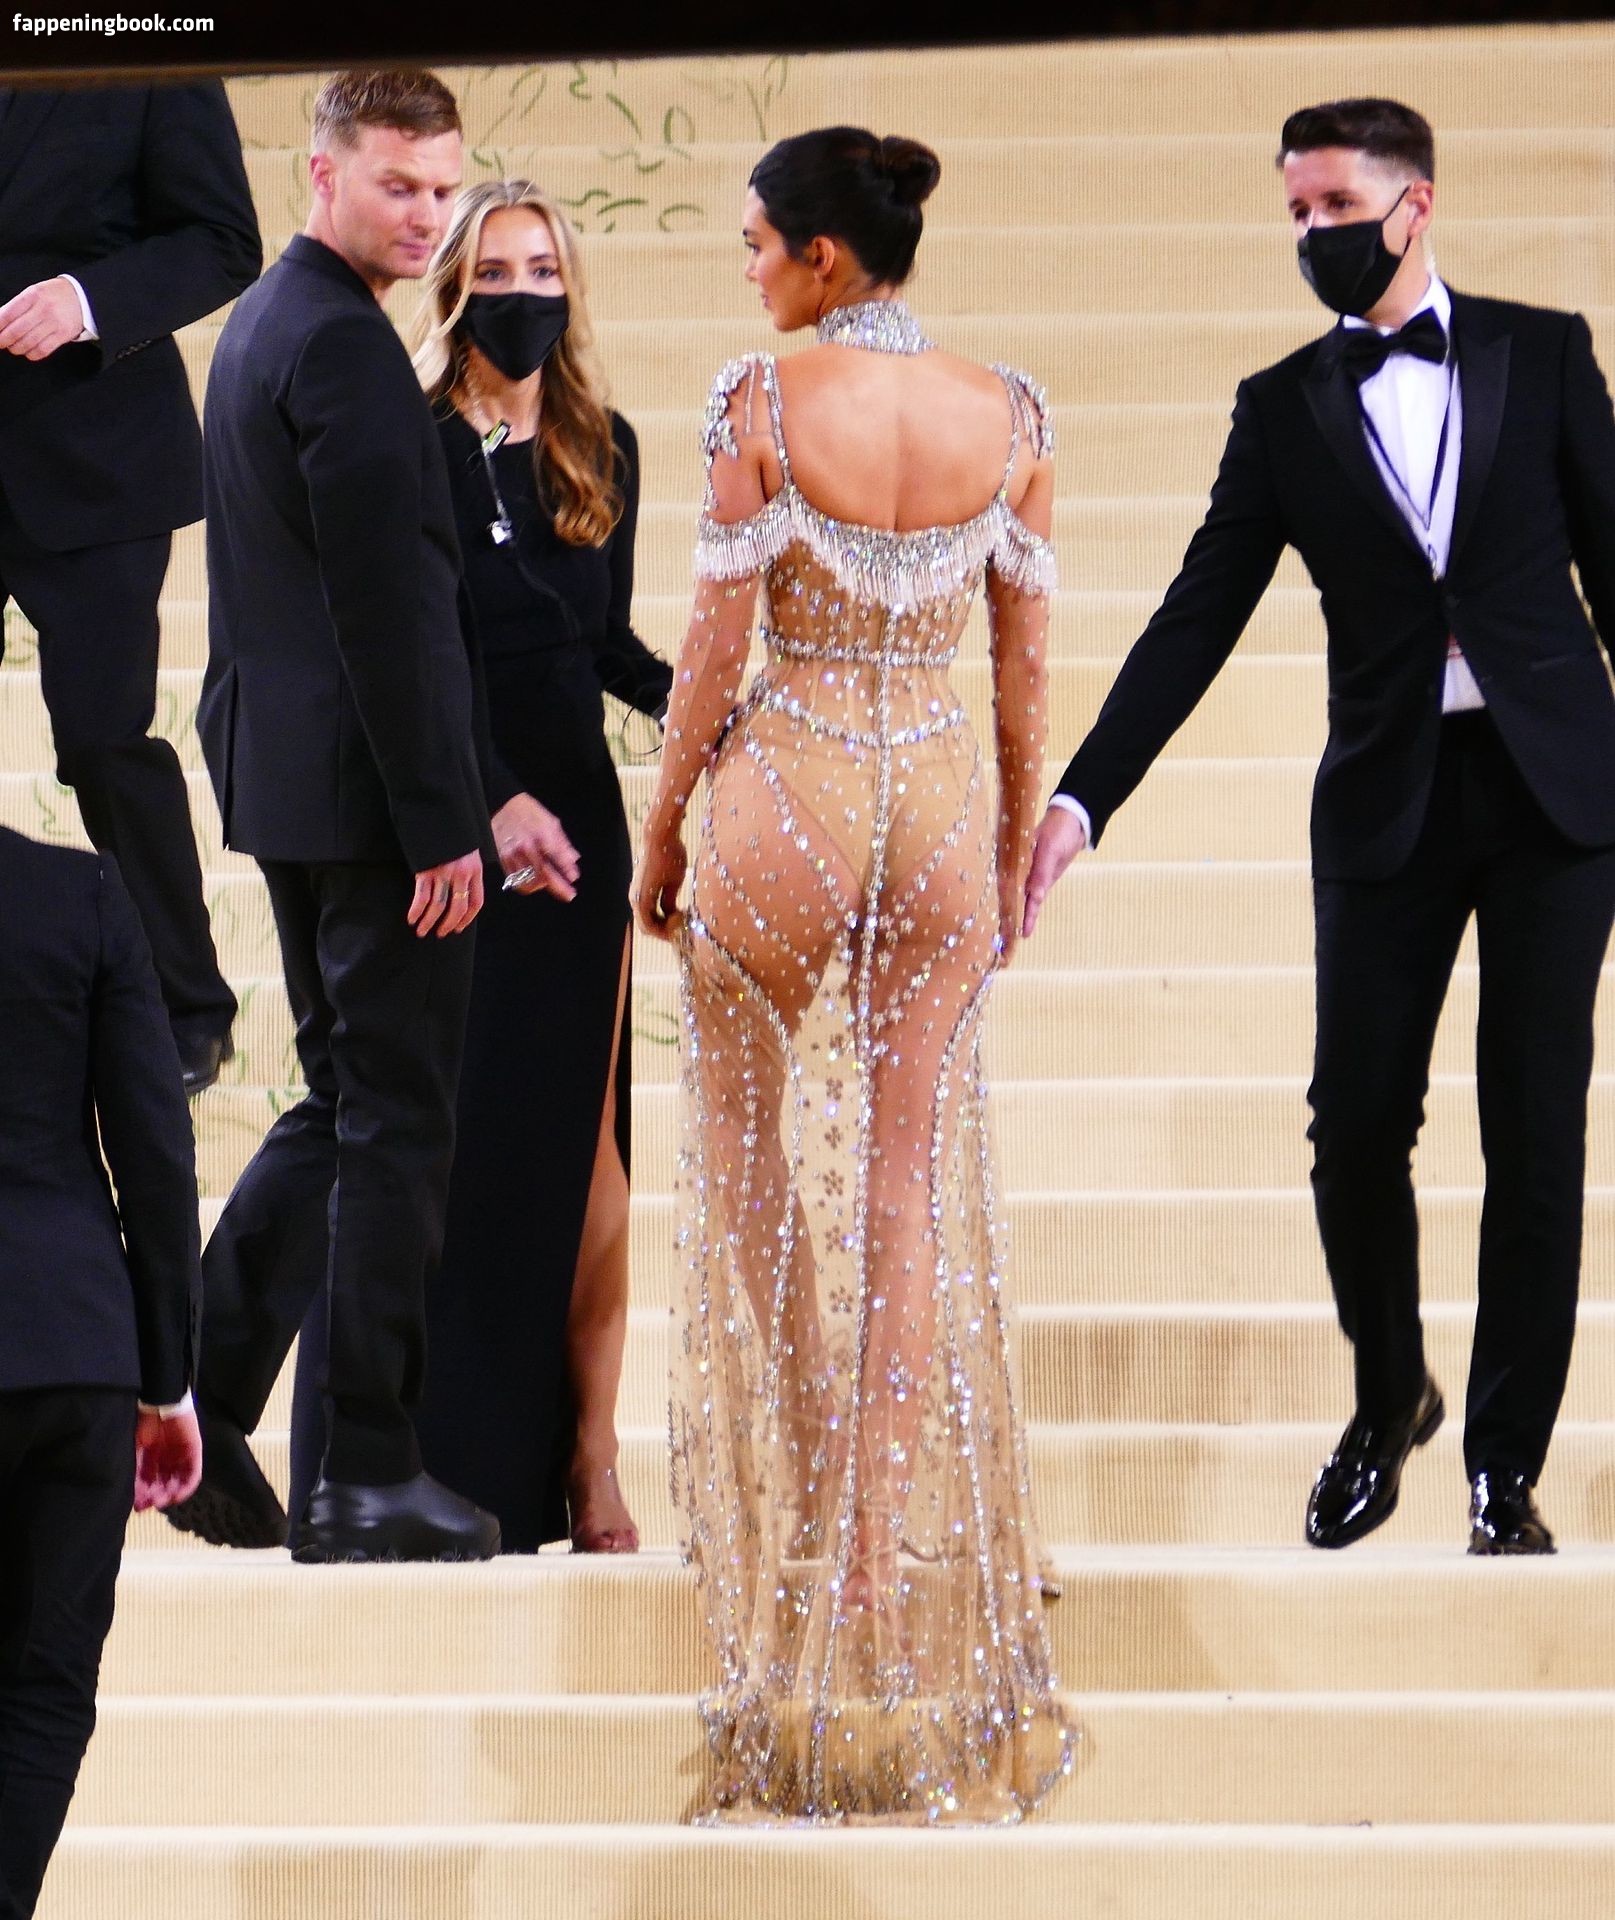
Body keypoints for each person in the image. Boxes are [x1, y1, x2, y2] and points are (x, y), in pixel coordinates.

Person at [1025, 98, 1615, 1558]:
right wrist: (1083, 795)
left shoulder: (1542, 353)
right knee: (1353, 1126)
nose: (1312, 234)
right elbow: (1194, 618)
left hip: (1553, 792)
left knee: (1534, 1131)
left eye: (1334, 206)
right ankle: (1384, 1393)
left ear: (1415, 204)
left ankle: (1501, 1471)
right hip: (1384, 799)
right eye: (1294, 212)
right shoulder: (1279, 407)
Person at [633, 127, 1076, 1823]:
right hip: (939, 792)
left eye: (757, 241)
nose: (747, 267)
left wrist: (662, 822)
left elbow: (711, 649)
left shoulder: (758, 395)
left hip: (793, 780)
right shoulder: (1010, 412)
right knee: (905, 1185)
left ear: (824, 255)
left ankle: (807, 1489)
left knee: (747, 1156)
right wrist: (1015, 838)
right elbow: (1024, 669)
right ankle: (882, 1545)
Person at [170, 69, 524, 1565]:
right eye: (399, 184)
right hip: (376, 806)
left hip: (295, 783)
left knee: (342, 1102)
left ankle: (190, 1394)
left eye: (443, 188)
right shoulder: (342, 347)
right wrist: (447, 819)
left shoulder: (268, 323)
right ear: (323, 175)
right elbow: (389, 611)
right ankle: (363, 1471)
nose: (428, 214)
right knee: (394, 1123)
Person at [286, 179, 670, 1554]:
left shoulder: (604, 447)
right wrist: (487, 797)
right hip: (449, 822)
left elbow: (604, 646)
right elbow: (399, 649)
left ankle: (586, 1457)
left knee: (586, 1155)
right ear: (452, 289)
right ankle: (406, 1453)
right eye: (494, 271)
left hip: (577, 838)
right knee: (438, 1143)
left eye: (542, 270)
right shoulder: (413, 440)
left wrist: (713, 708)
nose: (521, 294)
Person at [0, 80, 262, 1095]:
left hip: (94, 451)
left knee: (104, 740)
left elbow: (221, 239)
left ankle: (183, 1006)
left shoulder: (143, 42)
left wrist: (87, 301)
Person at [0, 825, 204, 1920]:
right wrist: (166, 1380)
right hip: (69, 1349)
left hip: (69, 1354)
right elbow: (155, 1152)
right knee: (44, 1685)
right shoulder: (77, 892)